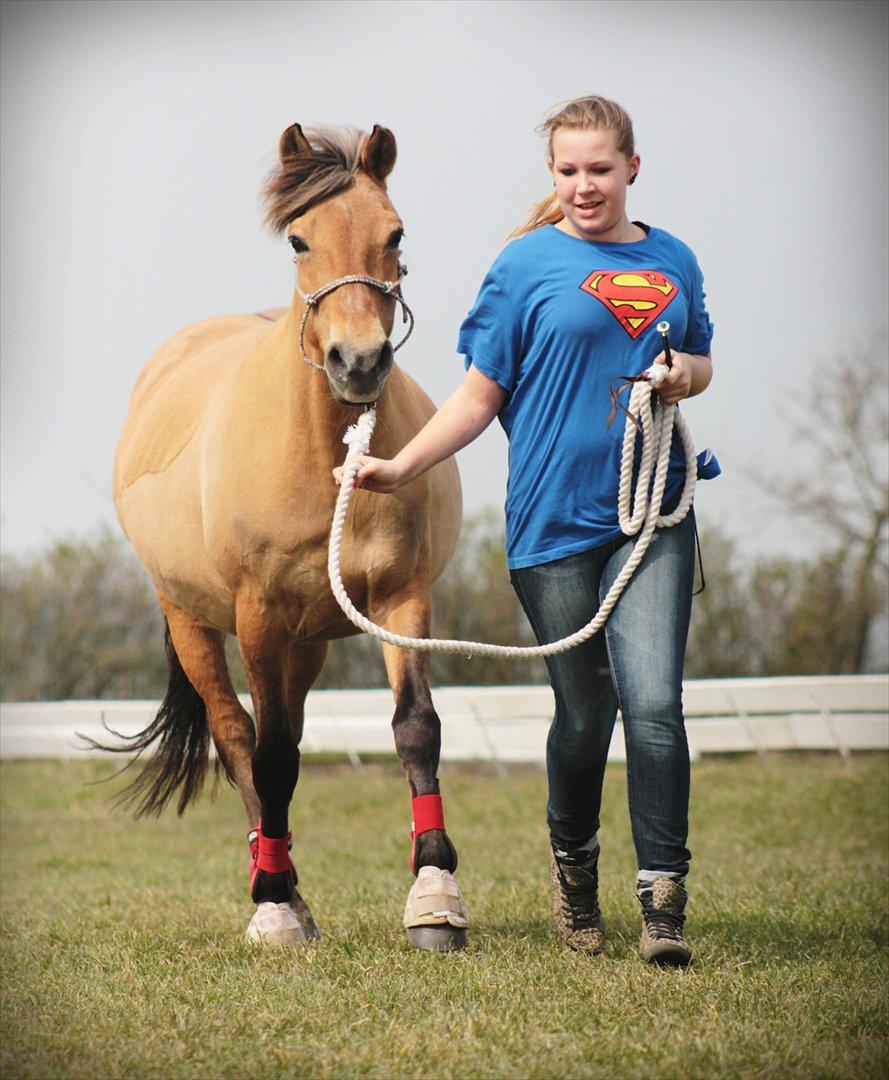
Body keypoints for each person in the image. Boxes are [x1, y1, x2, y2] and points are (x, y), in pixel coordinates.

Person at [333, 95, 715, 966]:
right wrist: (399, 467)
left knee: (653, 706)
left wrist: (681, 374)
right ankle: (573, 873)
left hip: (650, 509)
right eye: (568, 171)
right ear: (554, 176)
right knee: (586, 712)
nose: (585, 186)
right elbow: (477, 396)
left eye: (600, 170)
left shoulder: (673, 260)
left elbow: (699, 357)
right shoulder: (524, 266)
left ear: (631, 170)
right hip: (550, 521)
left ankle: (663, 905)